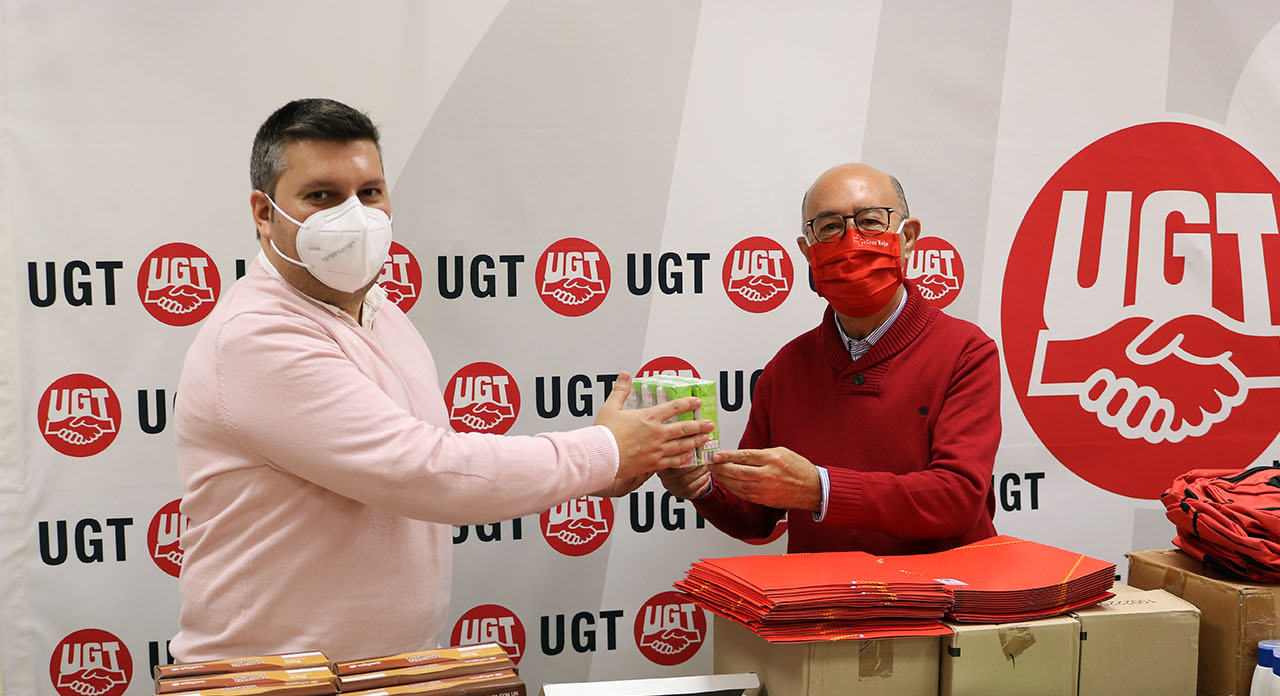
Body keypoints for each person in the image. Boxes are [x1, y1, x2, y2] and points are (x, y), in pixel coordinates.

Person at [173, 99, 712, 663]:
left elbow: (439, 469)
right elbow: (426, 472)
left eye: (370, 192)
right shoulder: (256, 335)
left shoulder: (382, 314)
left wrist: (609, 468)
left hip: (385, 680)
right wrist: (604, 451)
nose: (355, 215)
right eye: (322, 196)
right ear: (264, 213)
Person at [661, 163, 1000, 554]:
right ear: (808, 251)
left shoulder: (966, 351)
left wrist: (820, 489)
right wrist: (701, 486)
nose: (852, 240)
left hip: (939, 604)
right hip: (825, 608)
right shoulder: (786, 368)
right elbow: (754, 515)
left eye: (871, 222)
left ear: (907, 238)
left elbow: (957, 498)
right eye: (830, 227)